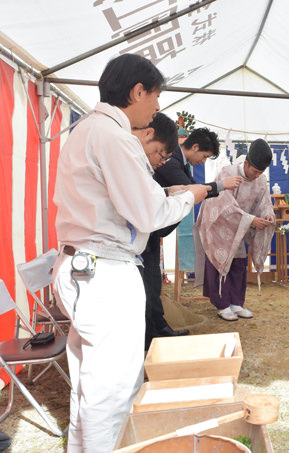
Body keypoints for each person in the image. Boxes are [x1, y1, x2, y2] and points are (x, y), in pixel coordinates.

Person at [51, 53, 209, 452]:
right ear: (137, 91)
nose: (156, 109)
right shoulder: (113, 135)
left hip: (82, 265)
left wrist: (167, 194)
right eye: (155, 98)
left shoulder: (87, 130)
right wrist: (188, 196)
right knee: (114, 390)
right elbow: (148, 213)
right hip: (104, 271)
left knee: (91, 386)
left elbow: (126, 200)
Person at [142, 127, 242, 347]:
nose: (203, 162)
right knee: (148, 286)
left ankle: (160, 328)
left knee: (153, 283)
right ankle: (151, 337)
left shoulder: (179, 161)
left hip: (152, 231)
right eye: (204, 156)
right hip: (145, 229)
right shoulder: (172, 161)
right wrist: (221, 186)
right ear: (195, 147)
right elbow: (190, 189)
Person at [195, 139, 275, 321]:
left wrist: (267, 214)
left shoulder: (261, 179)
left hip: (240, 225)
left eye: (261, 172)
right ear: (246, 163)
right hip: (218, 224)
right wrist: (251, 220)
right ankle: (222, 305)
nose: (257, 175)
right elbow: (225, 205)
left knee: (238, 264)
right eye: (255, 171)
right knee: (220, 262)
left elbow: (264, 202)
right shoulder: (227, 172)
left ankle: (236, 303)